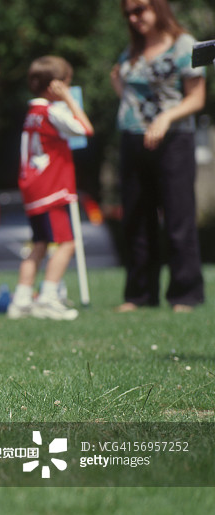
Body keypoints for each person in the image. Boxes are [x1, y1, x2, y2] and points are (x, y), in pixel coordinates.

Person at [110, 0, 206, 313]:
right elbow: (134, 96)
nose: (134, 17)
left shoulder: (184, 45)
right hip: (132, 139)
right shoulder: (132, 50)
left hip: (174, 139)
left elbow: (196, 97)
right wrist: (118, 87)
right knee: (136, 218)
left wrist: (165, 119)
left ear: (158, 7)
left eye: (140, 9)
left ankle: (185, 295)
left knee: (178, 217)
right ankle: (139, 295)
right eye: (129, 13)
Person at [7, 56, 94, 321]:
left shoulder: (32, 112)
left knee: (40, 244)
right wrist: (69, 99)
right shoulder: (52, 111)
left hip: (32, 187)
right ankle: (47, 297)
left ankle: (21, 300)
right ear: (56, 85)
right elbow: (86, 129)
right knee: (67, 243)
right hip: (51, 187)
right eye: (66, 83)